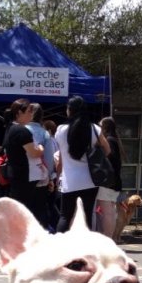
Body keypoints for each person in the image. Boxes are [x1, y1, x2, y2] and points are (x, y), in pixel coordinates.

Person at [55, 96, 111, 232]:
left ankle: (58, 248)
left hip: (70, 181)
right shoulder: (94, 129)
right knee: (86, 216)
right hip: (90, 181)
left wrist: (57, 175)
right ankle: (85, 249)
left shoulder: (61, 130)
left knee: (65, 217)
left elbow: (61, 157)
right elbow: (108, 150)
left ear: (70, 110)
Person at [2, 98, 45, 223]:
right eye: (29, 112)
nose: (31, 115)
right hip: (24, 175)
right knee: (22, 209)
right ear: (19, 113)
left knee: (18, 207)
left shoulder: (10, 128)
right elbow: (34, 152)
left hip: (16, 173)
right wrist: (41, 147)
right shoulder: (21, 131)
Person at [94, 116, 126, 240]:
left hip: (107, 183)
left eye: (100, 126)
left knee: (107, 212)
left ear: (105, 127)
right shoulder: (115, 140)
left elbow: (108, 161)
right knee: (109, 211)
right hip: (113, 183)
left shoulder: (109, 141)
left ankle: (108, 239)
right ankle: (109, 238)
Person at [26, 104, 55, 230]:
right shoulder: (44, 134)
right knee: (40, 209)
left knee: (24, 208)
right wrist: (50, 177)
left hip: (22, 175)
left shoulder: (20, 130)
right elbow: (49, 158)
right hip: (40, 176)